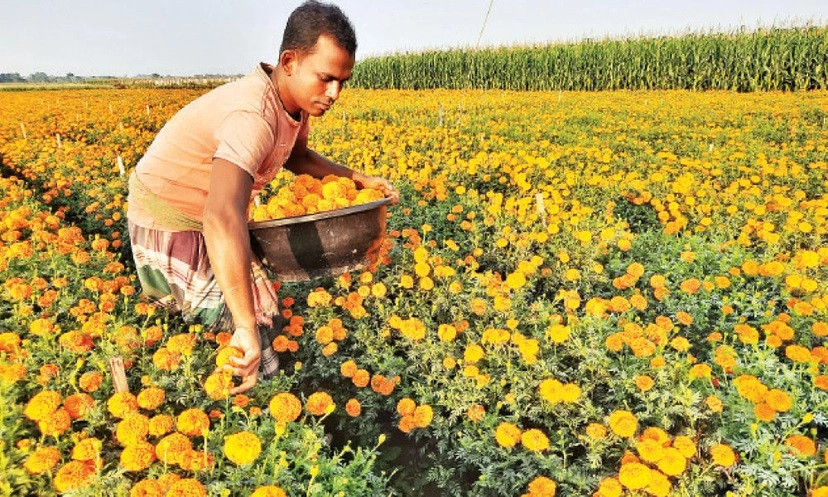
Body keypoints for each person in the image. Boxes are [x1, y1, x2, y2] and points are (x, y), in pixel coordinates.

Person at [126, 0, 398, 394]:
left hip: (210, 213)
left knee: (256, 304)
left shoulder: (296, 104)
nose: (335, 93)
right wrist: (244, 325)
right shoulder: (252, 118)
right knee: (238, 321)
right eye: (325, 78)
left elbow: (299, 157)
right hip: (171, 217)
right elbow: (221, 217)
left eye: (343, 81)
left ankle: (254, 386)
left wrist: (360, 180)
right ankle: (237, 406)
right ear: (289, 62)